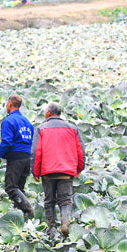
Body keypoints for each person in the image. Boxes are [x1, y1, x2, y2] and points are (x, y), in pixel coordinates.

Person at [31, 102, 85, 239]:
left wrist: (35, 171)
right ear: (59, 113)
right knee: (66, 200)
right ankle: (65, 222)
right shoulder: (72, 128)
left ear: (48, 113)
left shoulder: (41, 129)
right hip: (66, 171)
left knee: (49, 201)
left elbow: (36, 152)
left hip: (48, 171)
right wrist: (79, 168)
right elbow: (80, 150)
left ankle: (52, 228)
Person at [0, 94, 34, 217]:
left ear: (9, 104)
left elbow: (7, 142)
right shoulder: (27, 122)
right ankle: (21, 216)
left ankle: (28, 209)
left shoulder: (9, 121)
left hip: (16, 158)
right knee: (20, 188)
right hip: (27, 157)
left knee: (11, 188)